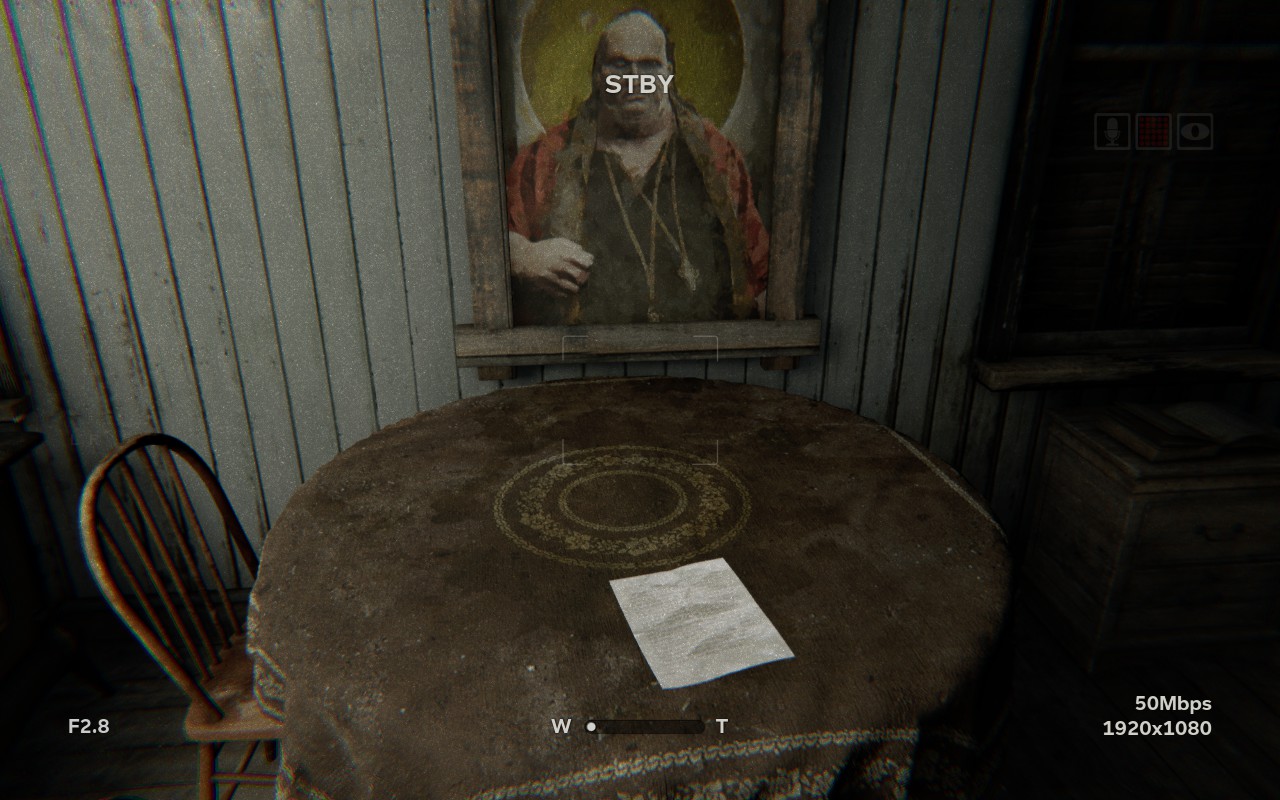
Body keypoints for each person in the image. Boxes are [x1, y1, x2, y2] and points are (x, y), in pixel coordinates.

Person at [506, 10, 769, 325]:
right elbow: (496, 242)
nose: (634, 79)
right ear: (598, 75)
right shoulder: (545, 158)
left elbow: (760, 272)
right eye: (619, 64)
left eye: (648, 65)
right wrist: (522, 256)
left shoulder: (716, 155)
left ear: (668, 73)